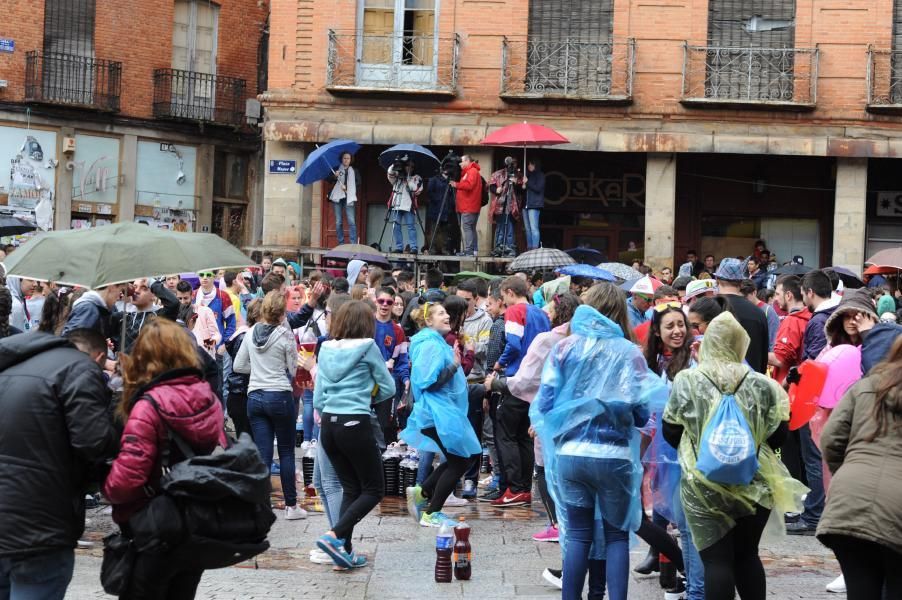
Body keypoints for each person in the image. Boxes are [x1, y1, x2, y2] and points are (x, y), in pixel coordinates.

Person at [532, 283, 667, 600]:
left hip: (570, 456)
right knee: (616, 535)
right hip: (614, 457)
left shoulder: (564, 349)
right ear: (621, 313)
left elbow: (546, 405)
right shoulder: (630, 353)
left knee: (577, 535)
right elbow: (640, 414)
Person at [662, 312, 806, 600]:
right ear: (742, 344)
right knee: (747, 555)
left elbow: (670, 430)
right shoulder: (764, 384)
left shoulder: (687, 380)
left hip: (703, 483)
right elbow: (779, 435)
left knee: (717, 561)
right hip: (754, 480)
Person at [103, 320, 226, 599]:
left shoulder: (149, 405)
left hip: (154, 523)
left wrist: (106, 487)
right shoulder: (207, 397)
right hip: (195, 519)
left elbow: (128, 479)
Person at [0, 328, 117, 600]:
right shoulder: (80, 369)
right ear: (99, 358)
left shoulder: (12, 364)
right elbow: (94, 442)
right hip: (39, 523)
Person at [488, 292, 581, 544]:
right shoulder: (586, 340)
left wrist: (496, 383)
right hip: (579, 417)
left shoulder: (548, 340)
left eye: (551, 310)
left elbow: (526, 380)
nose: (547, 314)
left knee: (544, 468)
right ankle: (573, 524)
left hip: (548, 412)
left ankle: (557, 524)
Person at [817, 337, 902, 600]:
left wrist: (848, 471)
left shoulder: (865, 387)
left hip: (848, 498)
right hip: (897, 504)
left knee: (860, 589)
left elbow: (831, 439)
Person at [313, 301, 395, 569]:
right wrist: (367, 397)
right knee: (374, 490)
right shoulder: (368, 348)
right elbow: (388, 387)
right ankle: (334, 535)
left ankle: (344, 552)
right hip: (355, 422)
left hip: (329, 425)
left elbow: (318, 395)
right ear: (366, 324)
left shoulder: (324, 348)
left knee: (351, 487)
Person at [403, 302, 483, 526]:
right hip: (436, 412)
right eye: (440, 313)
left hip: (442, 411)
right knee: (460, 461)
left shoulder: (435, 342)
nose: (447, 316)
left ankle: (423, 492)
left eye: (446, 312)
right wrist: (455, 365)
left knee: (463, 457)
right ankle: (431, 511)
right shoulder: (430, 345)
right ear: (428, 321)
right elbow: (429, 382)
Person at [232, 291, 305, 520]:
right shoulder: (285, 335)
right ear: (282, 313)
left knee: (263, 453)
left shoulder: (250, 332)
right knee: (285, 451)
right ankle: (292, 506)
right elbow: (292, 369)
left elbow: (238, 366)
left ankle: (262, 505)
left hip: (255, 396)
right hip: (279, 395)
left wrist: (258, 370)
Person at [787, 270, 839, 535]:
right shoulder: (838, 314)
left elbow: (815, 362)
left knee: (813, 456)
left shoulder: (818, 321)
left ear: (808, 292)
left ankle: (814, 515)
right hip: (833, 396)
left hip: (815, 397)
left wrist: (797, 372)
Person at [490, 276, 550, 507]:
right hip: (537, 382)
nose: (503, 301)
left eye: (503, 296)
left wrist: (499, 363)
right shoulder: (542, 314)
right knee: (525, 436)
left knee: (506, 435)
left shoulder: (515, 311)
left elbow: (513, 344)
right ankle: (523, 487)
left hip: (516, 379)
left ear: (508, 292)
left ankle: (515, 488)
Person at [714, 258, 769, 373]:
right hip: (751, 383)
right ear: (741, 283)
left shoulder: (710, 308)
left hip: (717, 382)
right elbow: (763, 359)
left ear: (717, 280)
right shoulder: (759, 313)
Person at [373, 287, 410, 446]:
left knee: (386, 424)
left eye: (389, 302)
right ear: (376, 301)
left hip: (388, 384)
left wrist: (406, 379)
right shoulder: (366, 324)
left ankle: (383, 459)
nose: (385, 305)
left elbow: (402, 360)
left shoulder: (397, 331)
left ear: (393, 304)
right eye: (381, 301)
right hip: (366, 382)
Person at [111, 277, 180, 353]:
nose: (136, 291)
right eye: (134, 287)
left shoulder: (158, 317)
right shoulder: (123, 317)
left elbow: (174, 303)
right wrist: (118, 290)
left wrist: (151, 282)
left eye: (144, 288)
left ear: (154, 295)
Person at [225, 298, 262, 440]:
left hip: (241, 394)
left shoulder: (244, 334)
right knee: (248, 443)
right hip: (241, 395)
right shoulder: (245, 337)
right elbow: (241, 368)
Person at [768, 275, 811, 385]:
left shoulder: (792, 321)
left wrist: (752, 353)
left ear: (788, 295)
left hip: (788, 389)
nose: (775, 299)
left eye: (777, 294)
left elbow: (780, 359)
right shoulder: (810, 315)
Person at [61, 282, 128, 339]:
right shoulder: (89, 309)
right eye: (120, 290)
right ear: (112, 287)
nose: (119, 296)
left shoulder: (94, 308)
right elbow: (75, 342)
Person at [387, 159, 423, 254]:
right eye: (407, 166)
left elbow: (417, 189)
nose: (409, 168)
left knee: (411, 227)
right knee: (396, 227)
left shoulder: (417, 177)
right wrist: (395, 164)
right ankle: (399, 247)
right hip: (396, 205)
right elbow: (390, 174)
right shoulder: (397, 176)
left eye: (411, 166)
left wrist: (408, 181)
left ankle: (413, 247)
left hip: (409, 206)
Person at [489, 158, 523, 257]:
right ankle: (498, 247)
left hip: (513, 206)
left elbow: (522, 191)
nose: (513, 165)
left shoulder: (519, 176)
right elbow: (491, 186)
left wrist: (516, 183)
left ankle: (510, 248)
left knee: (510, 228)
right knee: (500, 228)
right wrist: (496, 190)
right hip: (500, 204)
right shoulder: (499, 173)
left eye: (515, 163)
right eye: (512, 163)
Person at [450, 155, 482, 257]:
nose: (460, 164)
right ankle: (473, 250)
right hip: (470, 206)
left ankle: (469, 250)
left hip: (469, 206)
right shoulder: (471, 171)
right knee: (471, 228)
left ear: (468, 161)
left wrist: (457, 185)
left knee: (467, 227)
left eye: (461, 162)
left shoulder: (472, 171)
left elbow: (469, 185)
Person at [328, 151, 361, 245]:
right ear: (341, 159)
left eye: (348, 158)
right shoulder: (336, 169)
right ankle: (341, 243)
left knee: (351, 221)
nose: (346, 160)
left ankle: (353, 243)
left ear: (351, 160)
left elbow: (359, 183)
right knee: (338, 222)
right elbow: (329, 180)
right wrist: (335, 176)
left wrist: (347, 187)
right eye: (344, 158)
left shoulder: (354, 170)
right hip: (338, 197)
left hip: (349, 197)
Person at [425, 170, 455, 255]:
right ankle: (432, 249)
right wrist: (438, 200)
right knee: (434, 229)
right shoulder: (434, 178)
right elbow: (429, 192)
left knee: (446, 231)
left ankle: (445, 249)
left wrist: (451, 205)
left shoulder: (450, 180)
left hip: (447, 209)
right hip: (436, 209)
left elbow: (452, 195)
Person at [522, 158, 545, 250]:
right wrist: (522, 185)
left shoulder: (540, 175)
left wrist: (527, 182)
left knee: (534, 228)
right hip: (525, 205)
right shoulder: (527, 176)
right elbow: (524, 190)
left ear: (536, 165)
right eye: (528, 164)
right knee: (527, 229)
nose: (529, 166)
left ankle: (535, 248)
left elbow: (538, 188)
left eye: (531, 164)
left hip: (534, 205)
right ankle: (529, 248)